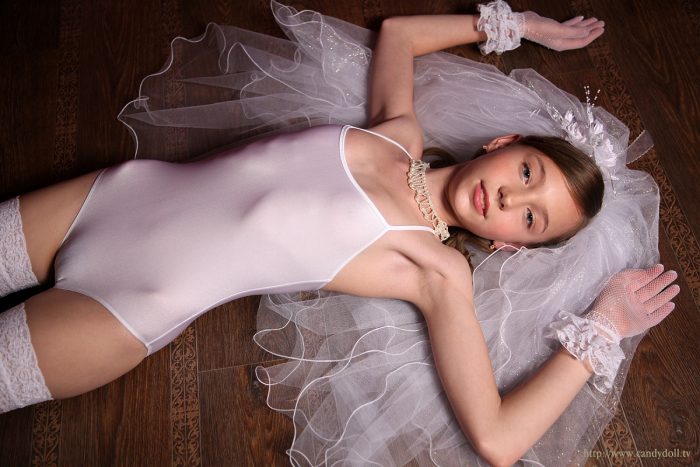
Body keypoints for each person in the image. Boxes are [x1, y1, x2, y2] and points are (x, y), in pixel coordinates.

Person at [0, 1, 678, 465]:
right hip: (109, 195)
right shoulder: (397, 133)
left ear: (510, 244)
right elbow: (400, 35)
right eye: (528, 172)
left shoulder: (434, 270)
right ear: (504, 142)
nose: (510, 196)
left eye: (529, 217)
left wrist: (603, 329)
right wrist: (523, 25)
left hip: (126, 309)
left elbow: (498, 440)